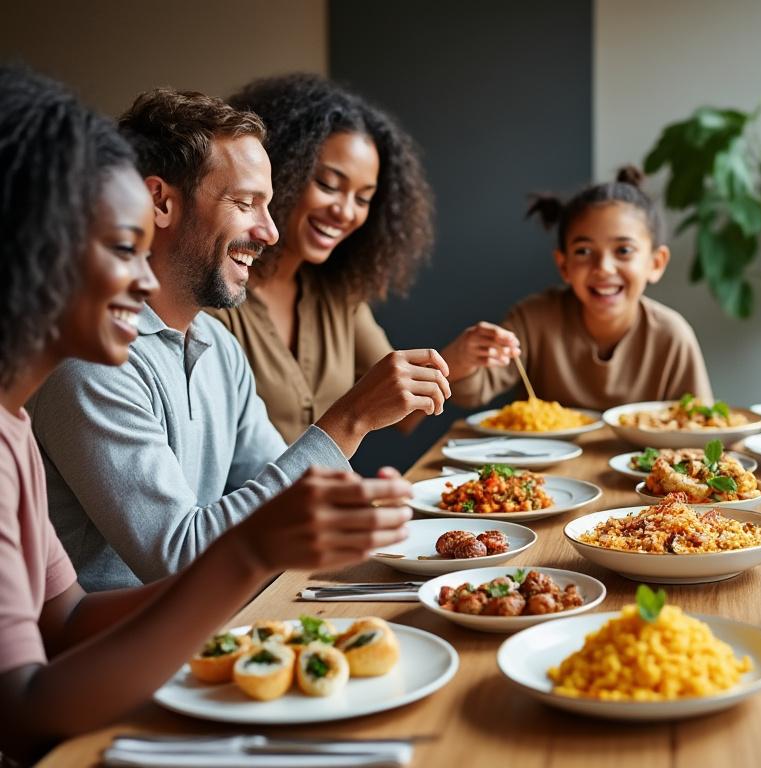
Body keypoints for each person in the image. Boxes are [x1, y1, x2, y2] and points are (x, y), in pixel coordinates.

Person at [0, 66, 411, 764]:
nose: (142, 277)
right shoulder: (76, 373)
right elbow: (23, 719)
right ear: (46, 248)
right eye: (122, 249)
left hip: (157, 659)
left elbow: (65, 619)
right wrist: (252, 547)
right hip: (94, 712)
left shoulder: (17, 424)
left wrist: (335, 537)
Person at [26, 89, 449, 592]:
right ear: (160, 201)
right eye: (246, 203)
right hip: (131, 658)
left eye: (267, 205)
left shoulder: (217, 348)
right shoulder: (91, 358)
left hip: (227, 622)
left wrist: (364, 505)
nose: (269, 232)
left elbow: (277, 487)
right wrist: (349, 421)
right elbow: (180, 556)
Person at [213, 74, 447, 443]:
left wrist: (458, 359)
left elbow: (405, 407)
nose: (345, 212)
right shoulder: (214, 293)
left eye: (364, 198)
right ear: (279, 171)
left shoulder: (340, 294)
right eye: (328, 185)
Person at [444, 166, 713, 410]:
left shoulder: (672, 336)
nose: (604, 267)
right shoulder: (533, 319)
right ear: (564, 266)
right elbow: (471, 394)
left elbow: (700, 424)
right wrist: (463, 359)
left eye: (623, 250)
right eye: (583, 251)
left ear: (656, 263)